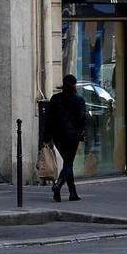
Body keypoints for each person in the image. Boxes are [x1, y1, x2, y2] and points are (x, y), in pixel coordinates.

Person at [47, 74, 89, 202]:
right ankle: (58, 186)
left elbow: (49, 119)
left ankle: (72, 192)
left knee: (67, 163)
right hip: (72, 136)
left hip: (58, 136)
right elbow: (83, 119)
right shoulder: (79, 100)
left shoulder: (55, 99)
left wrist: (46, 137)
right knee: (68, 163)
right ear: (74, 85)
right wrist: (81, 131)